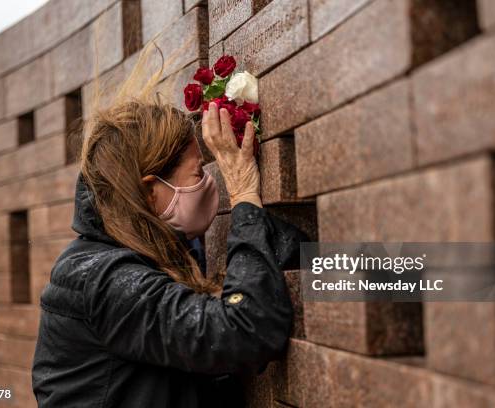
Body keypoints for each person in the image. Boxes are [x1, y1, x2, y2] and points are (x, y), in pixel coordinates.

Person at [31, 70, 310, 405]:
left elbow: (296, 259)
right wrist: (244, 194)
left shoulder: (156, 250)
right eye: (198, 172)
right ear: (150, 191)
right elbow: (245, 332)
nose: (210, 182)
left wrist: (381, 275)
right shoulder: (103, 279)